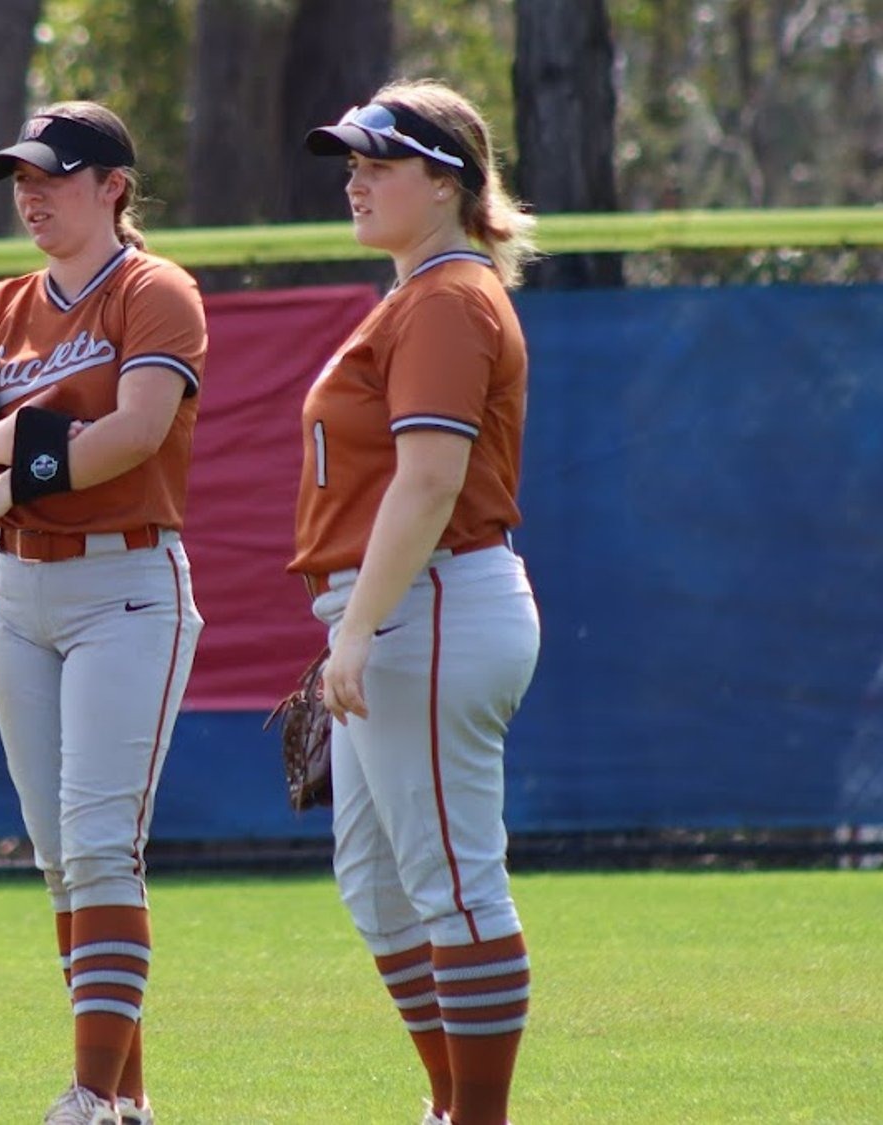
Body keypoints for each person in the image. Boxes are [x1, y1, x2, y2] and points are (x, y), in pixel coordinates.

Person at [0, 101, 207, 1125]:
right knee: (57, 860)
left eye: (53, 175)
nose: (30, 193)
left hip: (124, 584)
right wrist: (11, 443)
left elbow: (133, 433)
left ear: (112, 186)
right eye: (20, 177)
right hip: (20, 593)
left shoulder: (154, 291)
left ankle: (84, 1096)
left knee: (96, 843)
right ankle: (126, 1104)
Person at [290, 79, 542, 1125]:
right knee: (378, 886)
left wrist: (355, 628)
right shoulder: (418, 296)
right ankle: (449, 1107)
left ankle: (475, 1118)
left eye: (376, 162)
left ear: (442, 183)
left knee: (449, 881)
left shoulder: (445, 298)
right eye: (349, 161)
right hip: (399, 608)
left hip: (428, 603)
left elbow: (429, 480)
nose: (354, 180)